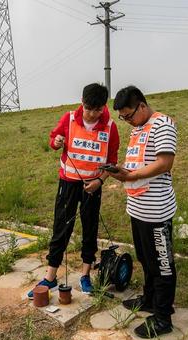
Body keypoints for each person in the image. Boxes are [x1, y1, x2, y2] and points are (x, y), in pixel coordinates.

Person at [27, 83, 120, 298]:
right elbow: (53, 139)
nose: (91, 114)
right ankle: (50, 277)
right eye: (88, 108)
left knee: (90, 228)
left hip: (92, 186)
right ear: (82, 103)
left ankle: (85, 275)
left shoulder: (110, 127)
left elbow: (112, 160)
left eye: (96, 110)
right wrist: (56, 142)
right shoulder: (68, 118)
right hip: (68, 183)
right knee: (61, 227)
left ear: (103, 108)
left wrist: (100, 180)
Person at [108, 85, 178, 339]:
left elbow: (164, 162)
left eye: (128, 115)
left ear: (142, 106)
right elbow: (136, 164)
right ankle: (149, 300)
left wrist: (132, 174)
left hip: (157, 211)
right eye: (123, 118)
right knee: (146, 260)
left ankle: (163, 317)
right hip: (137, 208)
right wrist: (120, 172)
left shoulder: (163, 124)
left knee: (163, 265)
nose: (126, 121)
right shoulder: (138, 129)